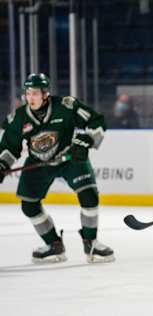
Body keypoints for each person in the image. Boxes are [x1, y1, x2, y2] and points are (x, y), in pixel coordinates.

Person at [0, 73, 114, 264]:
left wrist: (86, 141)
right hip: (38, 163)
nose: (31, 98)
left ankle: (91, 242)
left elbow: (96, 121)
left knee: (89, 195)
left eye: (35, 93)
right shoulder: (18, 118)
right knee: (29, 205)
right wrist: (2, 165)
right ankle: (54, 245)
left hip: (70, 158)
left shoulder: (65, 106)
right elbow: (10, 147)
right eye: (28, 93)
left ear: (45, 94)